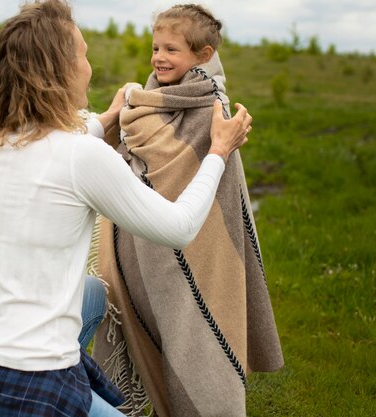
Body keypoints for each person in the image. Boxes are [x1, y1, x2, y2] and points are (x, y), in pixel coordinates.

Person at [0, 1, 253, 416]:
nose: (90, 67)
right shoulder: (82, 157)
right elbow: (179, 227)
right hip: (29, 386)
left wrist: (109, 118)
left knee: (94, 294)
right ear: (59, 70)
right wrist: (218, 152)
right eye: (82, 55)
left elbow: (57, 145)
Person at [91, 4, 284, 417]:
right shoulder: (151, 97)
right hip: (150, 239)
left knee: (193, 330)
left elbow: (191, 167)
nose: (159, 57)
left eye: (172, 50)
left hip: (198, 240)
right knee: (154, 327)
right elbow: (137, 159)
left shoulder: (211, 106)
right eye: (155, 47)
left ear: (203, 54)